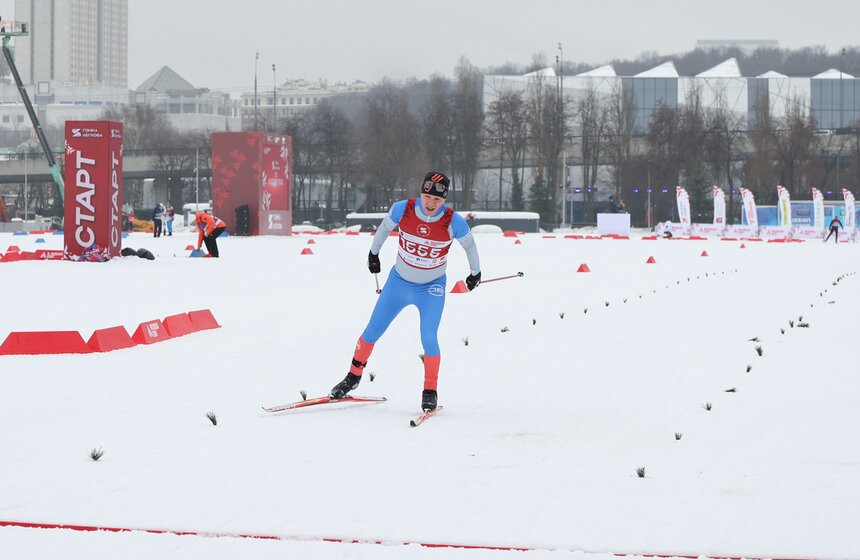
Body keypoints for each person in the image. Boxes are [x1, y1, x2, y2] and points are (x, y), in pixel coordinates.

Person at [329, 171, 481, 412]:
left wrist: (475, 273)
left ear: (444, 200)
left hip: (431, 288)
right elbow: (383, 229)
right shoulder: (403, 209)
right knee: (372, 330)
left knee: (429, 337)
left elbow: (470, 246)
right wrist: (373, 254)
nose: (431, 204)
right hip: (398, 282)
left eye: (437, 200)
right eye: (427, 197)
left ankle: (430, 391)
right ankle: (353, 377)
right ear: (421, 194)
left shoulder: (453, 221)